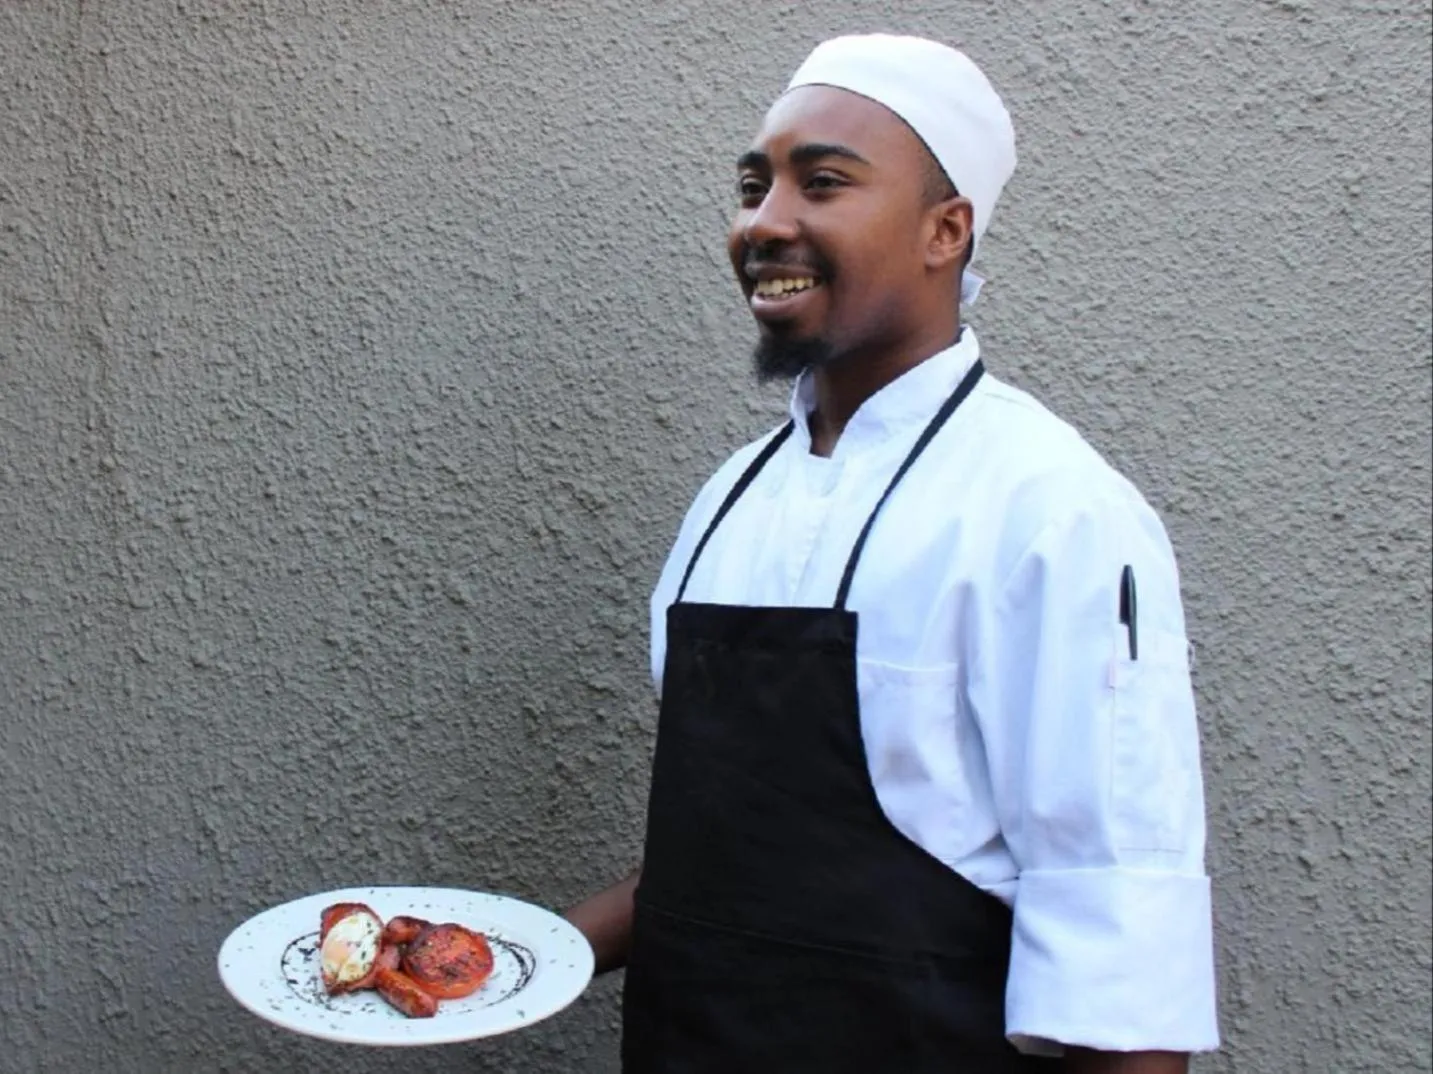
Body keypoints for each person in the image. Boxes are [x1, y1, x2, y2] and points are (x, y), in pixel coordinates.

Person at [564, 32, 1219, 1073]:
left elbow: (1119, 936)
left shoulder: (1049, 509)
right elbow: (719, 869)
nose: (763, 222)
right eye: (752, 184)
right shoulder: (728, 502)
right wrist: (495, 956)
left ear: (943, 230)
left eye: (821, 183)